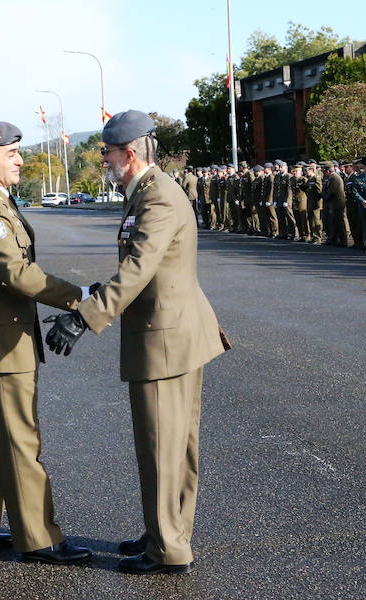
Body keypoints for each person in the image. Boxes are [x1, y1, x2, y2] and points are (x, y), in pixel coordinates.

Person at [45, 110, 231, 575]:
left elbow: (137, 269)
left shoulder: (158, 198)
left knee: (161, 447)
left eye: (107, 152)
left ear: (128, 153)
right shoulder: (150, 191)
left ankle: (167, 549)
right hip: (172, 335)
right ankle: (164, 530)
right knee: (174, 446)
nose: (103, 159)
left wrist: (85, 317)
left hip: (165, 342)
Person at [0, 120, 91, 565]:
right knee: (20, 440)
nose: (21, 160)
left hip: (4, 335)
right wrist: (81, 297)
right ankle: (39, 538)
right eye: (12, 154)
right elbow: (18, 274)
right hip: (1, 341)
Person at [321, 161, 347, 246]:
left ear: (328, 171)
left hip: (337, 204)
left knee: (339, 223)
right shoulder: (331, 178)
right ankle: (334, 239)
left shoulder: (334, 178)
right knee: (334, 223)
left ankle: (343, 241)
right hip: (333, 204)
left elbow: (332, 191)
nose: (324, 173)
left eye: (324, 171)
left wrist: (324, 196)